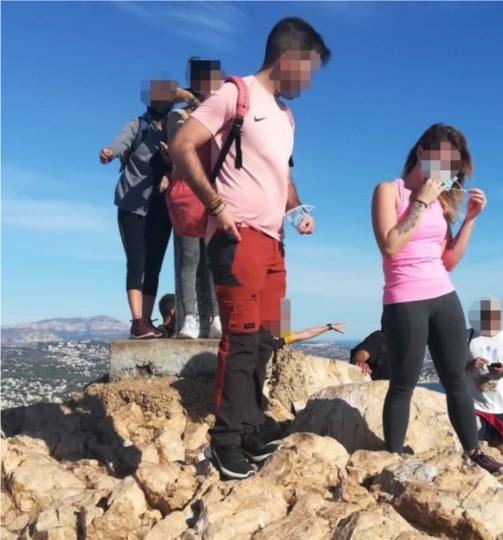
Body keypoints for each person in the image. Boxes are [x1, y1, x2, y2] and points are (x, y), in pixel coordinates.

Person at [172, 17, 330, 480]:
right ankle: (225, 442)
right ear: (289, 59)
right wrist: (215, 205)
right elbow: (182, 145)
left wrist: (296, 210)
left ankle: (250, 427)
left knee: (264, 340)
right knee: (240, 341)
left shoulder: (286, 116)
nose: (310, 82)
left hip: (274, 242)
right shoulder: (234, 93)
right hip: (236, 235)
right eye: (309, 70)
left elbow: (283, 175)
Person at [372, 123, 503, 475]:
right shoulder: (389, 191)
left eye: (452, 166)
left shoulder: (442, 203)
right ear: (421, 152)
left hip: (444, 296)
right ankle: (394, 459)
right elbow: (391, 245)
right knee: (403, 384)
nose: (446, 170)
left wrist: (470, 219)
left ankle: (473, 452)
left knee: (456, 379)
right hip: (404, 299)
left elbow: (449, 261)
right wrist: (420, 201)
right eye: (442, 159)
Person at [100, 80, 182, 339]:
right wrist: (111, 152)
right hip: (133, 203)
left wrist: (170, 169)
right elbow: (122, 141)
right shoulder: (137, 124)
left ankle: (146, 320)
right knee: (137, 263)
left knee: (154, 265)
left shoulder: (176, 127)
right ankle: (137, 321)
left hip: (162, 206)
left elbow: (184, 158)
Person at [165, 58, 224, 339]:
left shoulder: (221, 114)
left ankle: (215, 317)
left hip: (214, 192)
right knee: (190, 259)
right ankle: (190, 317)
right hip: (187, 194)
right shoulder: (178, 116)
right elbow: (180, 147)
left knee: (212, 261)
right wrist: (191, 99)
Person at [465, 297, 503, 456]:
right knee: (472, 449)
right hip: (474, 405)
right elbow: (455, 367)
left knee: (499, 448)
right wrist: (471, 365)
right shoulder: (468, 336)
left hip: (501, 406)